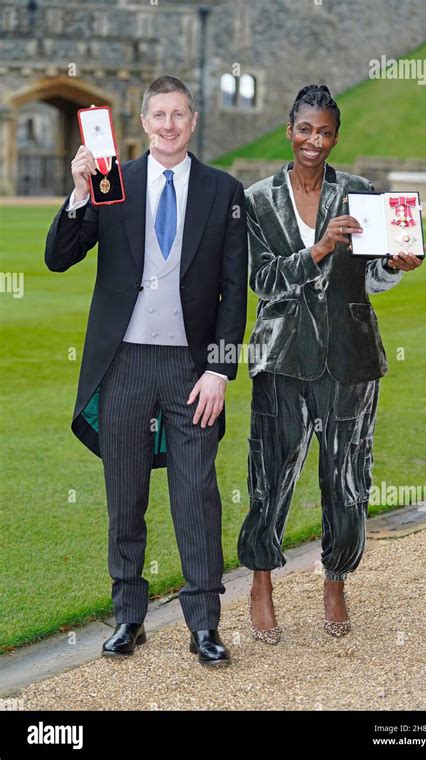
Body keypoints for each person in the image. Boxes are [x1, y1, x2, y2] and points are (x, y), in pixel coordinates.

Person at [45, 75, 248, 666]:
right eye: (158, 115)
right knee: (125, 495)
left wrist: (220, 371)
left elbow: (234, 292)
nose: (168, 125)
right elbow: (59, 258)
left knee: (197, 496)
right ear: (143, 122)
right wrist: (81, 190)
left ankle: (204, 624)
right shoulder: (114, 183)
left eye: (178, 114)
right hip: (125, 363)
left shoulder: (224, 191)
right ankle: (128, 616)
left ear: (193, 120)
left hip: (192, 369)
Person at [238, 84, 426, 642]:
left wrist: (397, 265)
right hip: (282, 359)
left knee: (346, 476)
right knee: (270, 478)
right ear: (289, 129)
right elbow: (263, 281)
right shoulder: (256, 200)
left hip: (350, 358)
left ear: (335, 136)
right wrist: (319, 248)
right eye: (305, 129)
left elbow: (372, 278)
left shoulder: (360, 193)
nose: (313, 141)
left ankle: (335, 579)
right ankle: (262, 582)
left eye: (324, 132)